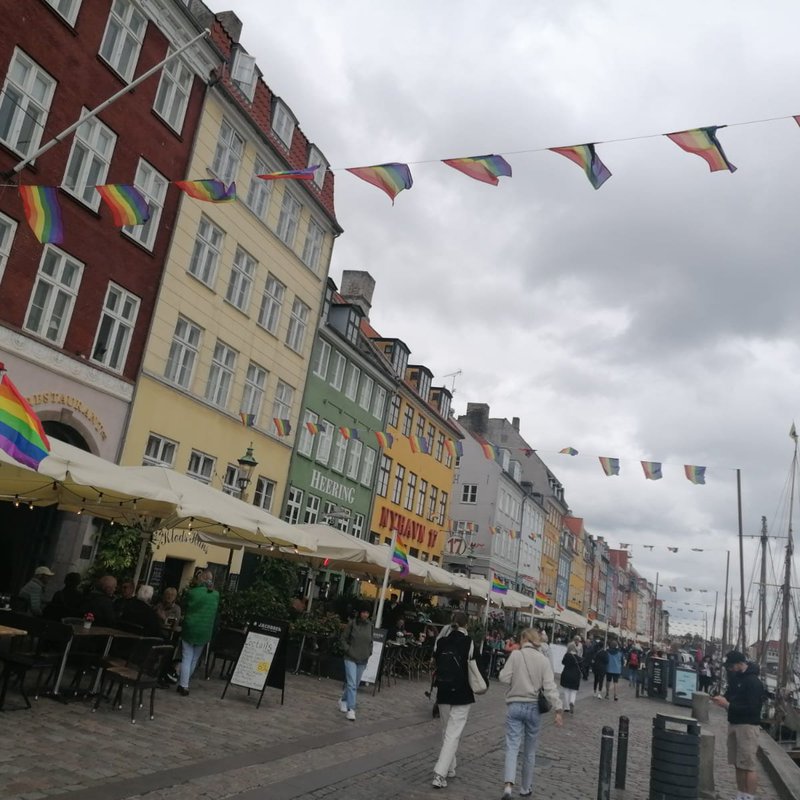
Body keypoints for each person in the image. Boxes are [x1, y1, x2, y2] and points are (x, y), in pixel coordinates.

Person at [499, 628, 563, 798]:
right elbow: (550, 687)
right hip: (534, 707)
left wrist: (516, 679)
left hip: (515, 705)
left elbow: (503, 677)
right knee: (530, 751)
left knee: (512, 746)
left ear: (523, 639)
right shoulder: (543, 660)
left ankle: (508, 786)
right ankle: (525, 788)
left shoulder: (516, 655)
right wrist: (558, 708)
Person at [712, 651, 765, 800]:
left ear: (739, 664)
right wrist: (722, 699)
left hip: (747, 726)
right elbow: (730, 695)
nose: (729, 669)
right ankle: (741, 794)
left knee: (748, 765)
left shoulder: (754, 682)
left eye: (731, 666)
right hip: (735, 723)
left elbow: (753, 709)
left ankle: (749, 797)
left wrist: (728, 705)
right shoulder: (736, 679)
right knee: (738, 763)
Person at [431, 610, 475, 789]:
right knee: (453, 734)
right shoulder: (469, 643)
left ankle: (450, 767)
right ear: (467, 625)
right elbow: (475, 665)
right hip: (462, 692)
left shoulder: (441, 642)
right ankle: (439, 774)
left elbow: (434, 660)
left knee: (446, 731)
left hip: (443, 691)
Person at [177, 569, 219, 696]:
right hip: (205, 630)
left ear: (201, 578)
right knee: (194, 658)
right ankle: (184, 683)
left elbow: (184, 606)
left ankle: (184, 685)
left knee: (186, 657)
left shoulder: (192, 593)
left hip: (190, 628)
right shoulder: (216, 595)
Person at [338, 601, 374, 721]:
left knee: (355, 684)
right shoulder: (352, 624)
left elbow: (371, 641)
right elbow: (343, 638)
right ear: (360, 613)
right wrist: (348, 650)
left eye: (367, 612)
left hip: (363, 659)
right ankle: (351, 709)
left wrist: (369, 652)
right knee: (352, 683)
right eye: (363, 612)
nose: (365, 614)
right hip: (350, 658)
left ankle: (343, 699)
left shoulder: (370, 626)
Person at [560, 642, 582, 713]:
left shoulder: (566, 655)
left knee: (566, 691)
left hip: (566, 674)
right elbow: (582, 666)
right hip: (575, 676)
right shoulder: (579, 658)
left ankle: (566, 707)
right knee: (573, 691)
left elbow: (563, 662)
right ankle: (572, 701)